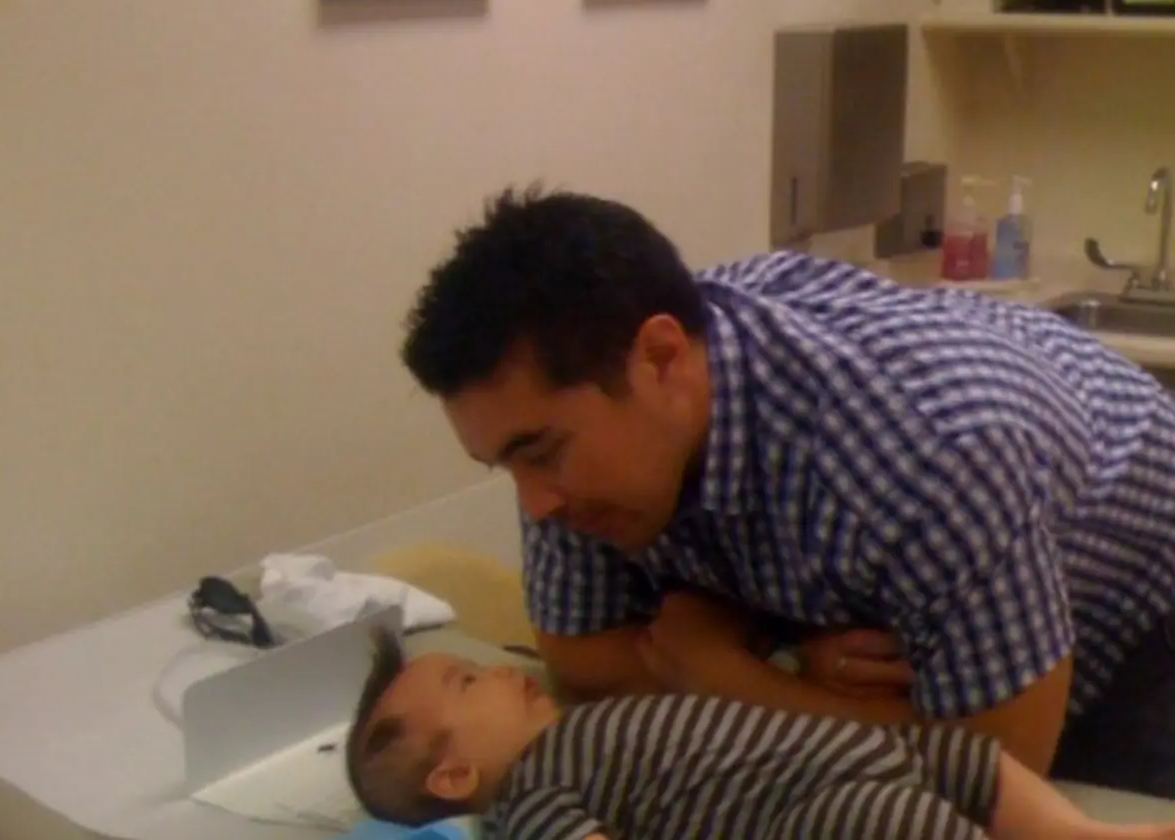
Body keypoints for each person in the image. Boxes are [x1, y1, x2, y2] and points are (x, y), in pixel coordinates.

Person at [398, 186, 1175, 799]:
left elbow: (999, 766)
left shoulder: (929, 450)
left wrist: (731, 677)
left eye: (541, 454)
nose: (536, 505)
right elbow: (581, 658)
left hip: (1142, 579)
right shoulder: (568, 445)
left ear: (661, 360)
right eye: (504, 465)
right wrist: (784, 652)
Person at [344, 627, 1175, 839]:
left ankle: (1084, 836)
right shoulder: (529, 801)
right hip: (811, 811)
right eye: (466, 683)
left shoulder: (580, 726)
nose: (496, 672)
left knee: (967, 757)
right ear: (453, 777)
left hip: (860, 752)